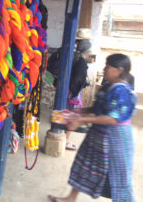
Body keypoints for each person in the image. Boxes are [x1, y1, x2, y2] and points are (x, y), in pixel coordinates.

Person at [48, 53, 137, 202]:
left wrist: (82, 119)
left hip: (115, 140)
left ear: (119, 70)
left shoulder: (122, 92)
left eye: (108, 66)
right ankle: (71, 198)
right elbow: (99, 107)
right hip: (97, 134)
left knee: (118, 176)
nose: (104, 69)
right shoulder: (108, 86)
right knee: (83, 165)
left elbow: (111, 118)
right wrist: (80, 111)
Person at [65, 39, 90, 151]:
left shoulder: (72, 57)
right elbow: (78, 80)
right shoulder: (81, 62)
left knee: (66, 115)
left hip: (67, 91)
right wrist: (74, 93)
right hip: (73, 93)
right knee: (72, 116)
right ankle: (65, 141)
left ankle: (63, 137)